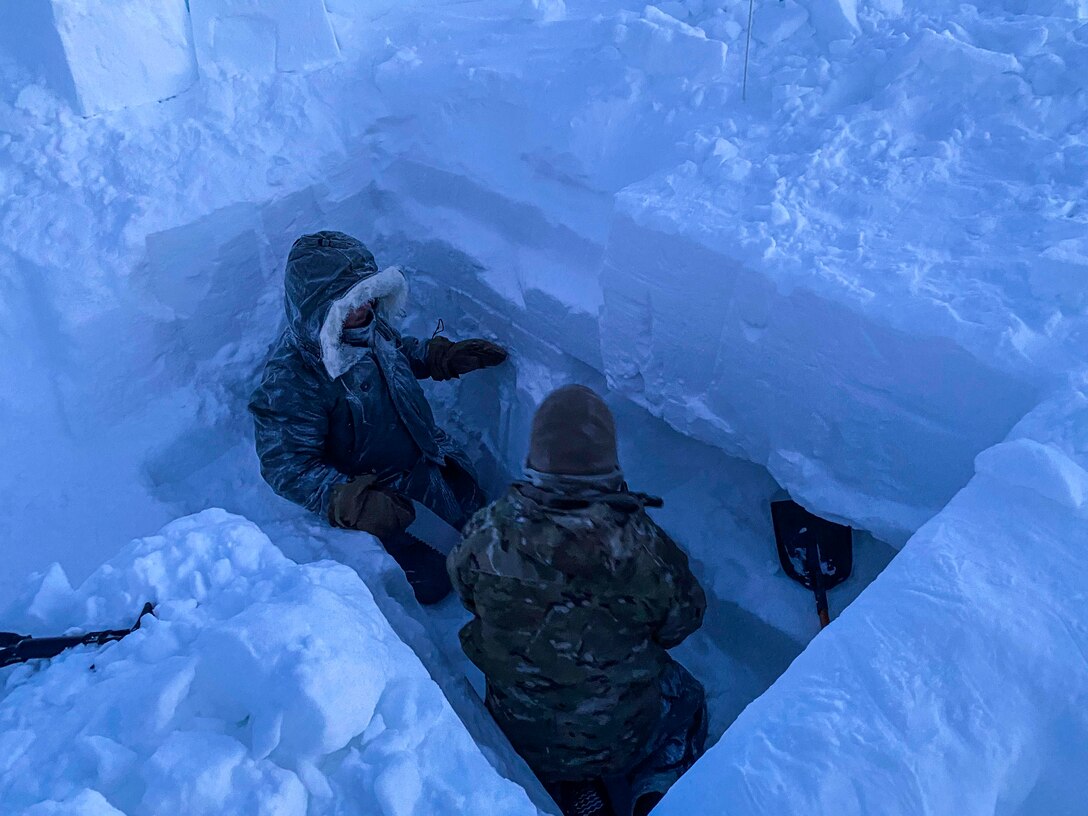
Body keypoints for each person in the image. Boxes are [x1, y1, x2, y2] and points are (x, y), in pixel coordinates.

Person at [448, 385, 708, 816]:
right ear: (609, 466)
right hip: (618, 733)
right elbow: (681, 623)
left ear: (535, 462)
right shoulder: (642, 549)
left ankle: (575, 793)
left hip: (520, 726)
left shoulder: (486, 533)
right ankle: (655, 792)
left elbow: (465, 592)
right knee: (686, 699)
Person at [250, 230, 507, 604]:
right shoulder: (293, 379)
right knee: (437, 582)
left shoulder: (365, 325)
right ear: (320, 308)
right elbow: (285, 463)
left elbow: (397, 352)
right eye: (352, 303)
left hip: (431, 462)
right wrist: (348, 501)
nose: (366, 309)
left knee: (474, 514)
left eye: (368, 295)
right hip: (385, 500)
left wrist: (440, 358)